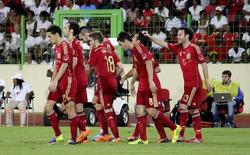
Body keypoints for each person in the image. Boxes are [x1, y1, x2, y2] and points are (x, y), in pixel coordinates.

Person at [143, 27, 212, 143]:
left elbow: (204, 64)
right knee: (192, 110)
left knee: (183, 107)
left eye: (180, 34)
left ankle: (181, 135)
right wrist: (150, 37)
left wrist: (207, 80)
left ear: (187, 36)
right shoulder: (177, 48)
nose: (177, 36)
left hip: (194, 84)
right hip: (188, 85)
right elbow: (163, 43)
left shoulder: (194, 48)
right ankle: (198, 137)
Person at [117, 31, 181, 145]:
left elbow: (148, 63)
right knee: (140, 111)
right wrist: (131, 84)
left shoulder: (138, 47)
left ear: (125, 41)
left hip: (148, 83)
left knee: (151, 111)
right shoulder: (133, 52)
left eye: (121, 44)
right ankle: (143, 139)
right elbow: (137, 69)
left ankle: (174, 127)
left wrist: (151, 81)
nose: (121, 47)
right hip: (142, 83)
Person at [44, 25, 78, 145]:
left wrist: (56, 80)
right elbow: (56, 66)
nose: (48, 39)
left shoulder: (64, 45)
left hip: (67, 80)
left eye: (50, 36)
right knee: (48, 107)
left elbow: (64, 65)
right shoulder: (56, 47)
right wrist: (52, 81)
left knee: (70, 109)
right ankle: (58, 135)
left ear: (56, 35)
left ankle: (74, 139)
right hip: (58, 81)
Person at [88, 31, 123, 143]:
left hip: (103, 81)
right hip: (112, 81)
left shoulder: (96, 51)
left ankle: (115, 136)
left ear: (95, 41)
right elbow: (121, 67)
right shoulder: (109, 50)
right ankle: (105, 132)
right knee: (98, 104)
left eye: (90, 41)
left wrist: (84, 81)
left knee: (107, 109)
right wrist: (113, 76)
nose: (90, 44)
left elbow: (89, 68)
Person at [63, 22, 91, 143]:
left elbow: (73, 63)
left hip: (76, 78)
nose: (63, 29)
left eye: (65, 28)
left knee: (69, 108)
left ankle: (83, 132)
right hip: (79, 78)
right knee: (78, 108)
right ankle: (83, 136)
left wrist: (65, 75)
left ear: (71, 31)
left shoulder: (73, 43)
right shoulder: (74, 43)